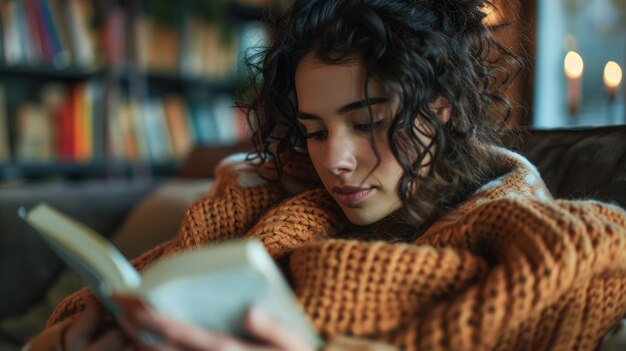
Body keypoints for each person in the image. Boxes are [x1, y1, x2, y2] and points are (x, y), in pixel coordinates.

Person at [25, 0, 626, 350]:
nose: (334, 159)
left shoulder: (528, 237)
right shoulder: (271, 201)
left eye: (367, 123)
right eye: (315, 130)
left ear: (439, 109)